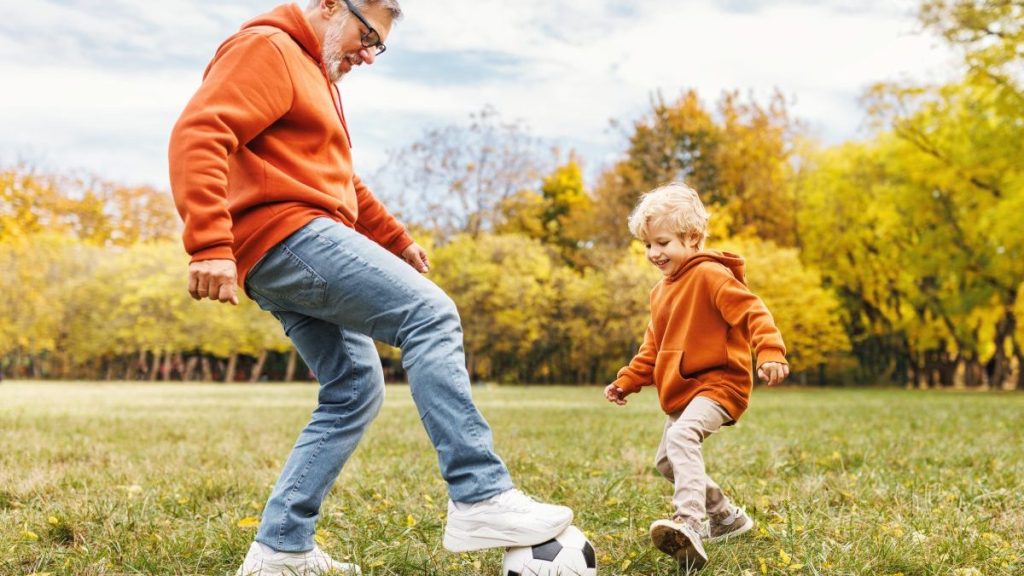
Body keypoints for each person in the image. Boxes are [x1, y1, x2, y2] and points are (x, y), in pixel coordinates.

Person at [167, 1, 572, 574]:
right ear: (332, 4)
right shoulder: (268, 48)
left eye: (378, 46)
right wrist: (208, 244)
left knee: (355, 386)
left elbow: (337, 177)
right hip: (288, 234)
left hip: (291, 243)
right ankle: (480, 495)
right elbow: (200, 134)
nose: (368, 53)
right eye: (367, 35)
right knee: (430, 316)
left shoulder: (314, 75)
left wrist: (394, 237)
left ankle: (280, 549)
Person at [603, 183, 789, 571]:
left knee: (682, 436)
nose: (654, 253)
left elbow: (753, 311)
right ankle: (726, 517)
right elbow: (652, 348)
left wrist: (770, 350)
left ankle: (689, 520)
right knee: (668, 461)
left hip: (720, 384)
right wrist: (627, 381)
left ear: (692, 238)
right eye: (647, 245)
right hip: (683, 391)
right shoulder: (660, 293)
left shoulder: (710, 275)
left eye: (663, 243)